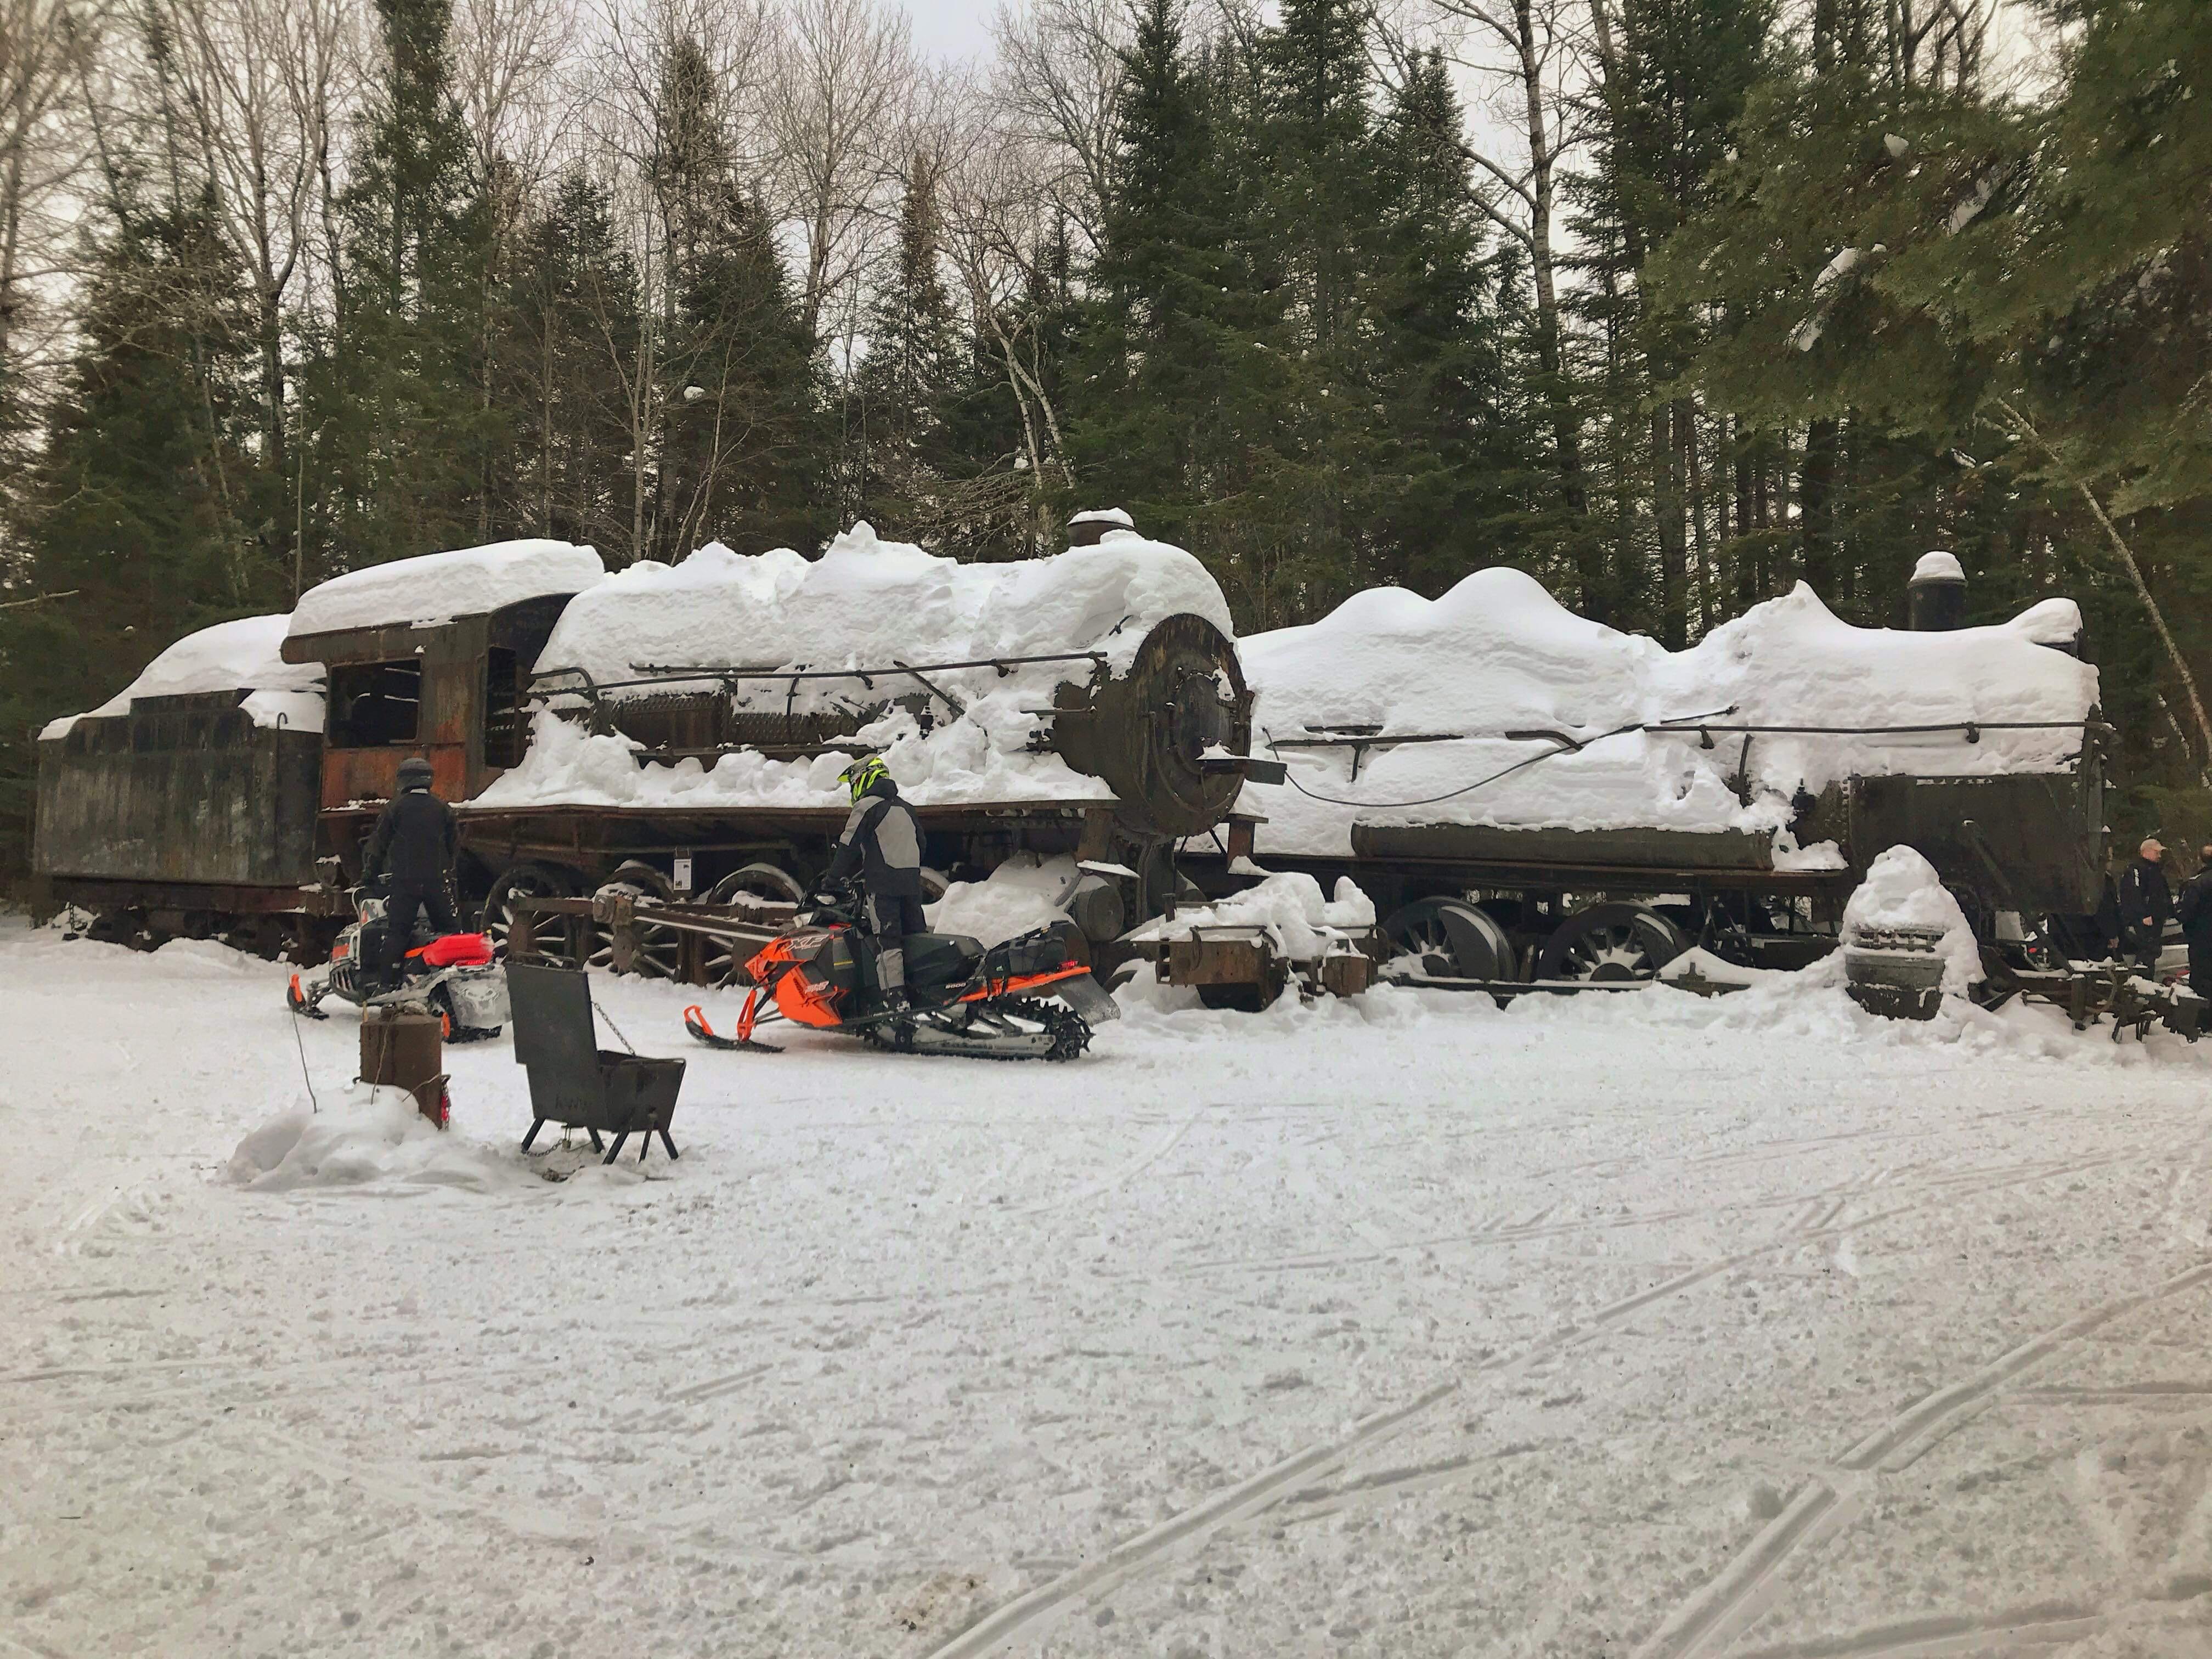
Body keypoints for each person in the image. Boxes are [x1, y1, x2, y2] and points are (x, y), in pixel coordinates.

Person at [823, 754, 924, 1009]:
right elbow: (922, 843)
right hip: (912, 882)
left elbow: (848, 846)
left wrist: (831, 880)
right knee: (915, 935)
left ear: (862, 780)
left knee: (887, 940)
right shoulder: (905, 807)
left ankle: (895, 999)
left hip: (883, 885)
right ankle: (924, 989)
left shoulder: (866, 806)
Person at [359, 755, 460, 990]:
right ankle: (456, 976)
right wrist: (447, 871)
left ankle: (386, 983)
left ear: (403, 780)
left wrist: (369, 877)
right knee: (450, 930)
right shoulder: (442, 808)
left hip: (406, 881)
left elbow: (377, 847)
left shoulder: (395, 808)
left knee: (398, 931)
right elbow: (454, 845)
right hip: (437, 880)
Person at [2117, 836, 2172, 976]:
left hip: (2156, 920)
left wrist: (2171, 910)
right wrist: (2142, 916)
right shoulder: (2136, 870)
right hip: (2144, 921)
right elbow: (2133, 894)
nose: (2159, 855)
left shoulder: (2156, 871)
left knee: (2152, 951)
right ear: (2146, 852)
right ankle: (2143, 983)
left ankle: (2148, 980)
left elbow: (2163, 893)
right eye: (2156, 852)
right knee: (2146, 952)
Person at [2178, 846, 2212, 1001]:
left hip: (2202, 941)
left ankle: (2204, 1020)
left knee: (2203, 982)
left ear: (2201, 860)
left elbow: (2186, 913)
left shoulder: (2196, 884)